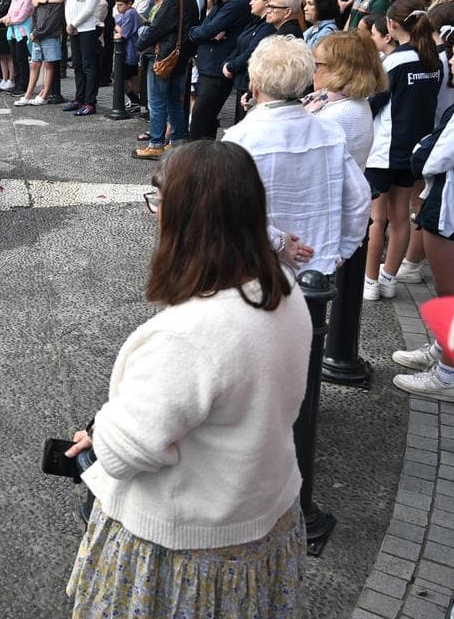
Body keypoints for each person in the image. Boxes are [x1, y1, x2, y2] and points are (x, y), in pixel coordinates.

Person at [63, 140, 308, 617]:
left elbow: (124, 451)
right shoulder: (283, 285)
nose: (155, 213)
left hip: (188, 545)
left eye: (160, 201)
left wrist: (101, 432)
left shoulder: (189, 334)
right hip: (262, 512)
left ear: (186, 217)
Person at [391, 27, 454, 400]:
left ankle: (449, 372)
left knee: (452, 289)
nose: (450, 59)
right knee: (451, 283)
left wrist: (418, 158)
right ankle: (445, 349)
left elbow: (441, 153)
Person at [224, 35, 371, 276]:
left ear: (254, 82)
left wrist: (278, 242)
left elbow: (230, 208)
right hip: (316, 260)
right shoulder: (329, 132)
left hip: (255, 262)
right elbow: (359, 197)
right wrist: (341, 250)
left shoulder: (241, 137)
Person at [364, 0, 441, 302]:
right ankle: (389, 278)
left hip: (385, 148)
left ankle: (369, 280)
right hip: (414, 149)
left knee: (376, 217)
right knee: (400, 215)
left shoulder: (395, 61)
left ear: (392, 26)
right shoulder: (433, 59)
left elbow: (374, 101)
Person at [133, 0, 199, 159]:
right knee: (173, 101)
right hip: (181, 56)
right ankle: (177, 141)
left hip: (165, 56)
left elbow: (157, 28)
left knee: (158, 101)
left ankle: (156, 143)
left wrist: (140, 44)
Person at [304, 31, 388, 169]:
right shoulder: (347, 101)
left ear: (341, 69)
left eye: (317, 64)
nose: (313, 70)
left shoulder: (337, 114)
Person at [188, 0, 251, 141]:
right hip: (209, 67)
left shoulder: (236, 4)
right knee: (205, 120)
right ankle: (204, 159)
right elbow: (201, 30)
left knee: (200, 119)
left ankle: (193, 159)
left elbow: (206, 31)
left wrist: (204, 33)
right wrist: (202, 33)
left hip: (217, 69)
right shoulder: (221, 3)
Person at [15, 0, 65, 107]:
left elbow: (53, 21)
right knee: (35, 63)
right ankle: (28, 94)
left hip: (50, 37)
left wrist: (38, 33)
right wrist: (33, 31)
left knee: (49, 64)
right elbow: (34, 14)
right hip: (37, 36)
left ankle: (45, 94)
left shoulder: (58, 1)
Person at [64, 0, 103, 116]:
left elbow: (90, 7)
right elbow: (69, 2)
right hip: (73, 27)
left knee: (88, 66)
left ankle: (90, 102)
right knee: (77, 65)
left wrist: (74, 23)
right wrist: (69, 23)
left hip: (87, 28)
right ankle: (79, 99)